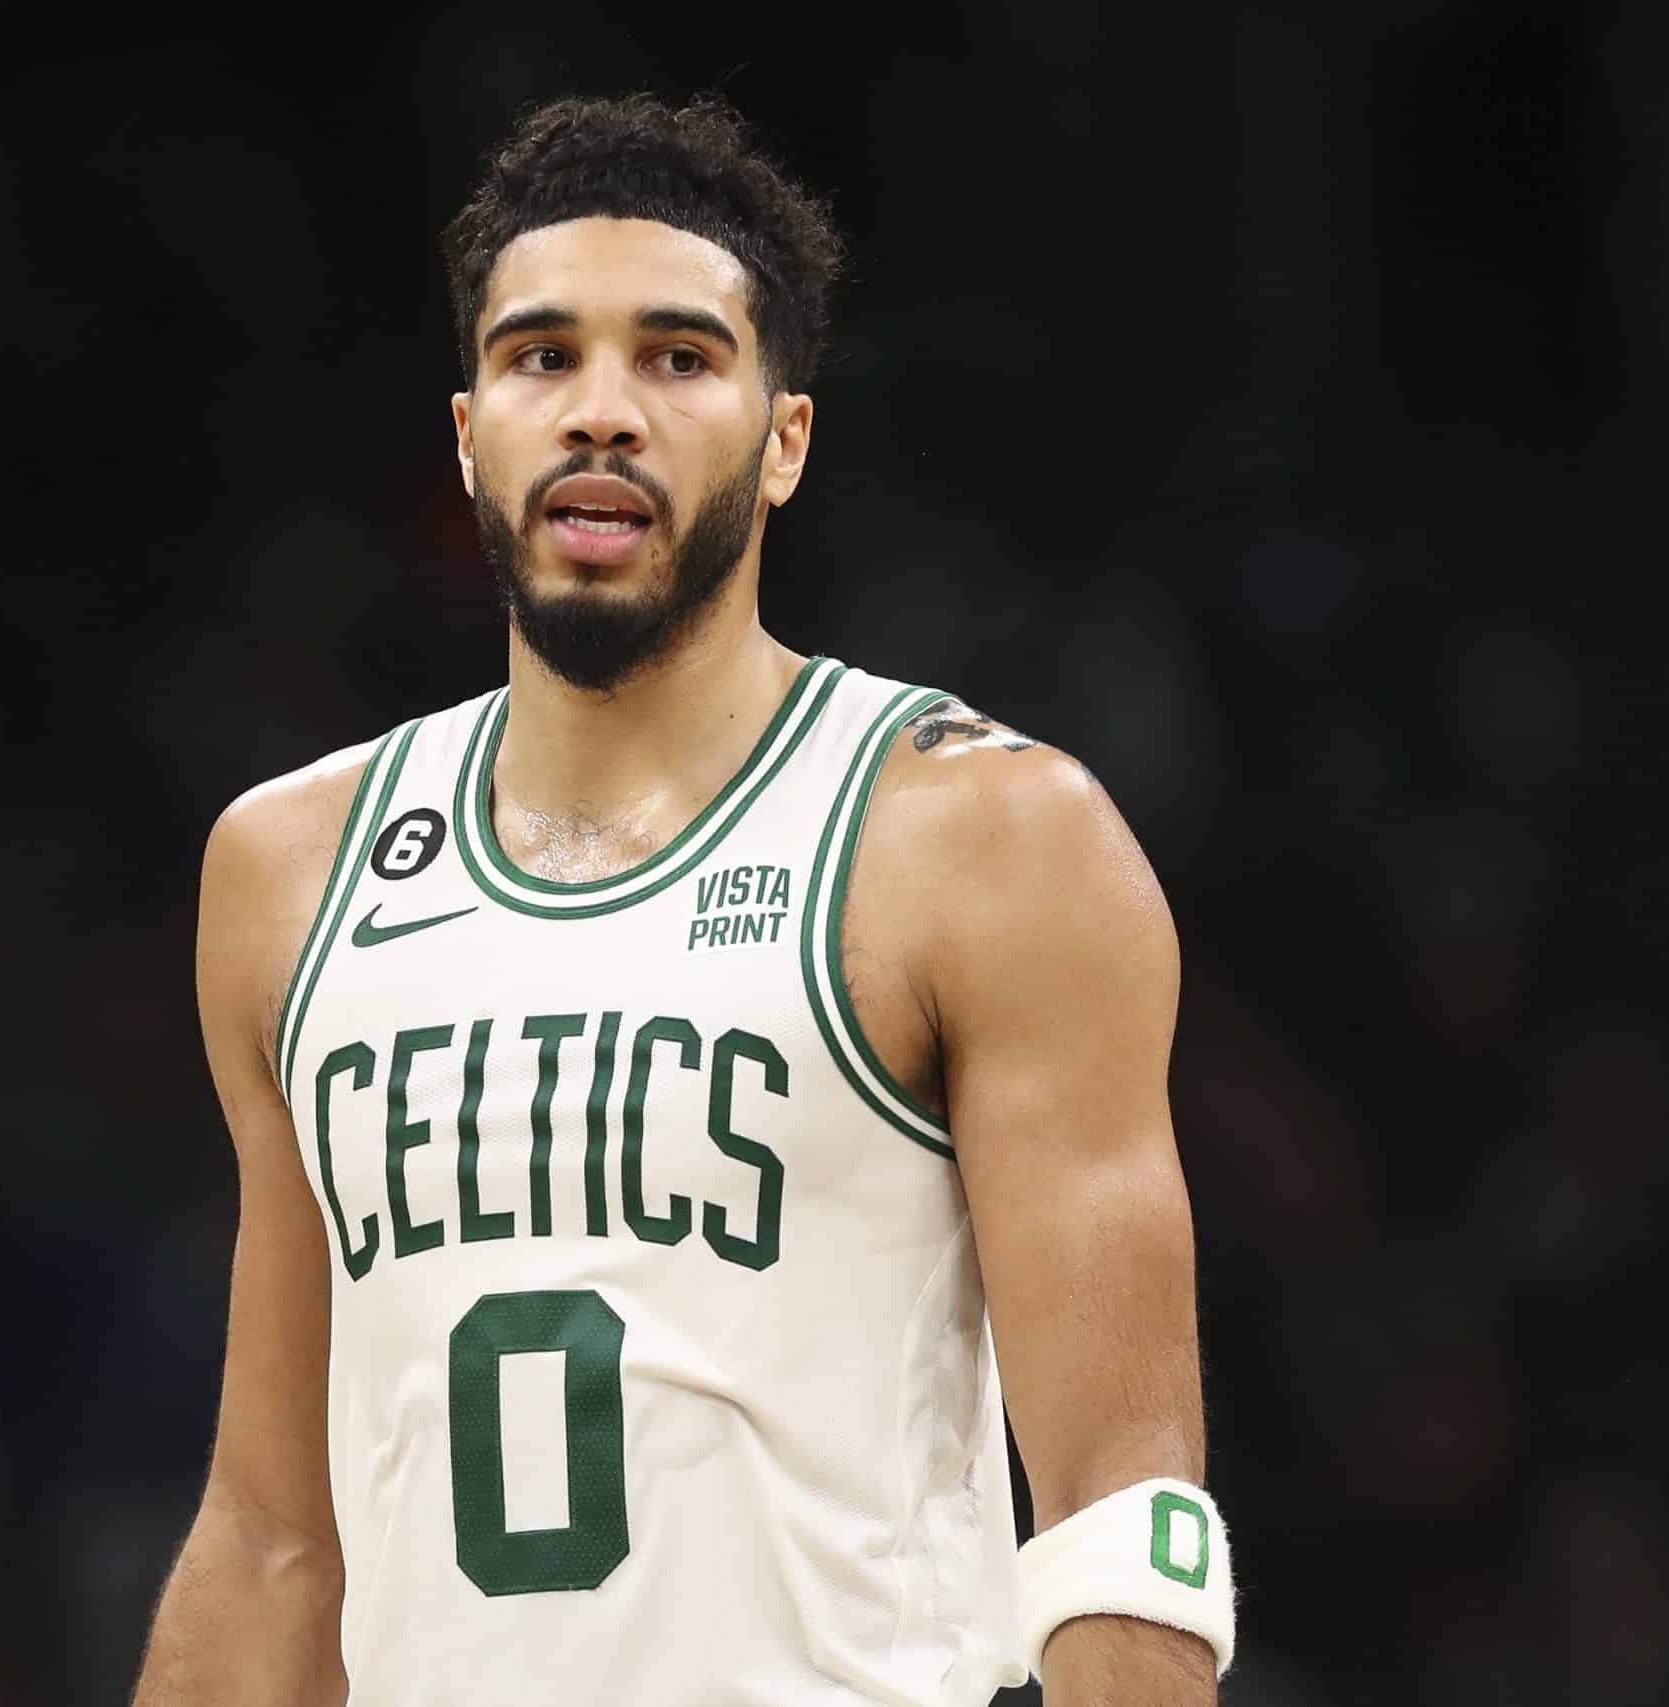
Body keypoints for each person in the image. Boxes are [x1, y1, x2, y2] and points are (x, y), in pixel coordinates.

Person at [131, 92, 1231, 1706]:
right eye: (540, 356)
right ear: (465, 431)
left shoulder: (985, 836)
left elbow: (1120, 1519)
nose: (601, 413)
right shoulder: (290, 868)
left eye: (678, 357)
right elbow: (278, 1536)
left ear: (786, 439)